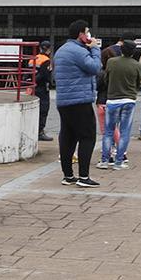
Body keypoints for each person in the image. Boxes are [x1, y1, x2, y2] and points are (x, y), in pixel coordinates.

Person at [53, 20, 101, 188]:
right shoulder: (78, 51)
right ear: (81, 34)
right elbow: (95, 67)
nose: (89, 36)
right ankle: (84, 176)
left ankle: (68, 175)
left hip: (64, 101)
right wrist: (95, 48)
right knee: (87, 137)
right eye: (87, 32)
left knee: (67, 137)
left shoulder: (61, 51)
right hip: (80, 101)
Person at [101, 39, 141, 170]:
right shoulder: (136, 65)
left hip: (112, 99)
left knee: (108, 132)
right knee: (124, 132)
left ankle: (104, 160)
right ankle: (119, 161)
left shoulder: (111, 62)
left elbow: (106, 79)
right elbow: (138, 83)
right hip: (128, 100)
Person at [33, 41, 54, 141]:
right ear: (49, 49)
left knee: (34, 110)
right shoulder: (46, 60)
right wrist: (51, 83)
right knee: (43, 109)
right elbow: (45, 75)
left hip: (33, 87)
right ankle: (40, 132)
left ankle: (33, 130)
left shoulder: (34, 58)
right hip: (42, 88)